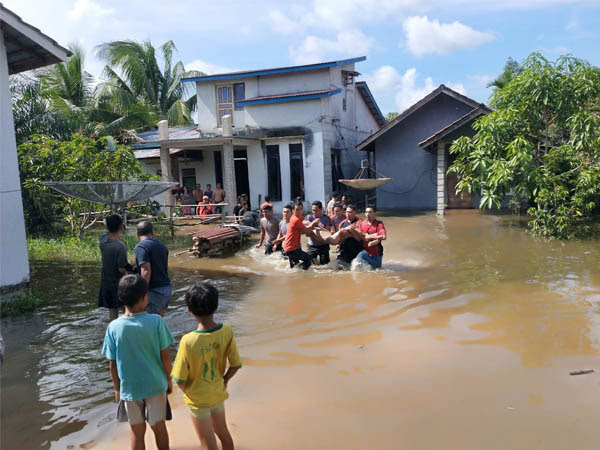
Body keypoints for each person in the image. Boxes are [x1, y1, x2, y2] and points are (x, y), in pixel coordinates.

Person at [102, 274, 174, 450]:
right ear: (144, 298)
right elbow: (165, 356)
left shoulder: (113, 327)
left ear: (121, 299)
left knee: (136, 432)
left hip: (130, 388)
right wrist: (169, 380)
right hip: (156, 385)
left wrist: (117, 389)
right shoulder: (156, 321)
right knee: (159, 428)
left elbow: (112, 364)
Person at [171, 282, 241, 450]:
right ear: (216, 305)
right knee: (223, 432)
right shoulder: (227, 331)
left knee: (207, 441)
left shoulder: (188, 341)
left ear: (189, 309)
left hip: (198, 400)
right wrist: (224, 381)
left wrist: (191, 393)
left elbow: (179, 378)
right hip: (217, 392)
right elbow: (235, 365)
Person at [134, 221, 172, 316]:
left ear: (137, 234)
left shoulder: (141, 246)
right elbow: (162, 267)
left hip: (154, 290)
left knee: (147, 320)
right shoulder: (162, 246)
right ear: (153, 232)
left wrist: (141, 292)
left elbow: (146, 270)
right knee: (159, 320)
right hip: (166, 288)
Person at [98, 214, 129, 321]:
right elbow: (121, 268)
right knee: (126, 310)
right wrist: (133, 265)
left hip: (106, 281)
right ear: (121, 228)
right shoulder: (120, 246)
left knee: (112, 311)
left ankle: (112, 333)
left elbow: (107, 229)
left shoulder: (103, 240)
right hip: (118, 283)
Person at [282, 201, 317, 270]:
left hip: (289, 247)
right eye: (297, 209)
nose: (299, 211)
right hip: (292, 248)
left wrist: (309, 225)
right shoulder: (296, 219)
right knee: (308, 259)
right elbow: (305, 231)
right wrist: (313, 223)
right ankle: (302, 272)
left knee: (294, 268)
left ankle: (297, 274)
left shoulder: (295, 217)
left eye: (301, 209)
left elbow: (301, 230)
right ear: (293, 210)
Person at [303, 200, 333, 265]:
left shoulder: (326, 218)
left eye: (316, 210)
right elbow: (306, 233)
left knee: (326, 266)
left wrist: (319, 227)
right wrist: (313, 225)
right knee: (309, 265)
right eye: (312, 210)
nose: (314, 212)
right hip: (312, 245)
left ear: (321, 209)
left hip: (323, 245)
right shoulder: (309, 217)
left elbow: (328, 233)